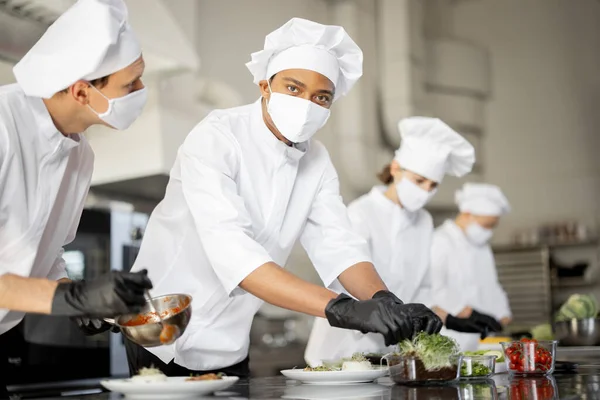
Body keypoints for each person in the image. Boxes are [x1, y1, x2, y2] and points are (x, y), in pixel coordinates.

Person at [81, 18, 443, 378]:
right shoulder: (218, 137)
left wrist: (384, 300)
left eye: (321, 97)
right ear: (265, 85)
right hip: (162, 331)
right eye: (293, 88)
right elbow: (236, 254)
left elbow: (340, 245)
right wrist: (341, 308)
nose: (306, 104)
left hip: (229, 341)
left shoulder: (317, 161)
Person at [0, 0, 153, 392]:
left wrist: (74, 293)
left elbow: (47, 250)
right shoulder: (3, 125)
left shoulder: (80, 155)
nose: (141, 91)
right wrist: (69, 297)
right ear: (82, 91)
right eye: (130, 83)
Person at [306, 117, 502, 365]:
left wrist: (451, 318)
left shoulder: (423, 222)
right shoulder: (360, 213)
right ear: (396, 169)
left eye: (433, 185)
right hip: (342, 350)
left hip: (391, 353)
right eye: (419, 181)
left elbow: (422, 290)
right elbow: (345, 284)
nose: (425, 191)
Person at [430, 182, 512, 351]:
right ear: (468, 214)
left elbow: (491, 284)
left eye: (492, 226)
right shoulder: (440, 240)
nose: (488, 231)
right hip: (452, 336)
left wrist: (502, 315)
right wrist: (468, 313)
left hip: (484, 340)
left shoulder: (482, 246)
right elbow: (434, 288)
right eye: (486, 225)